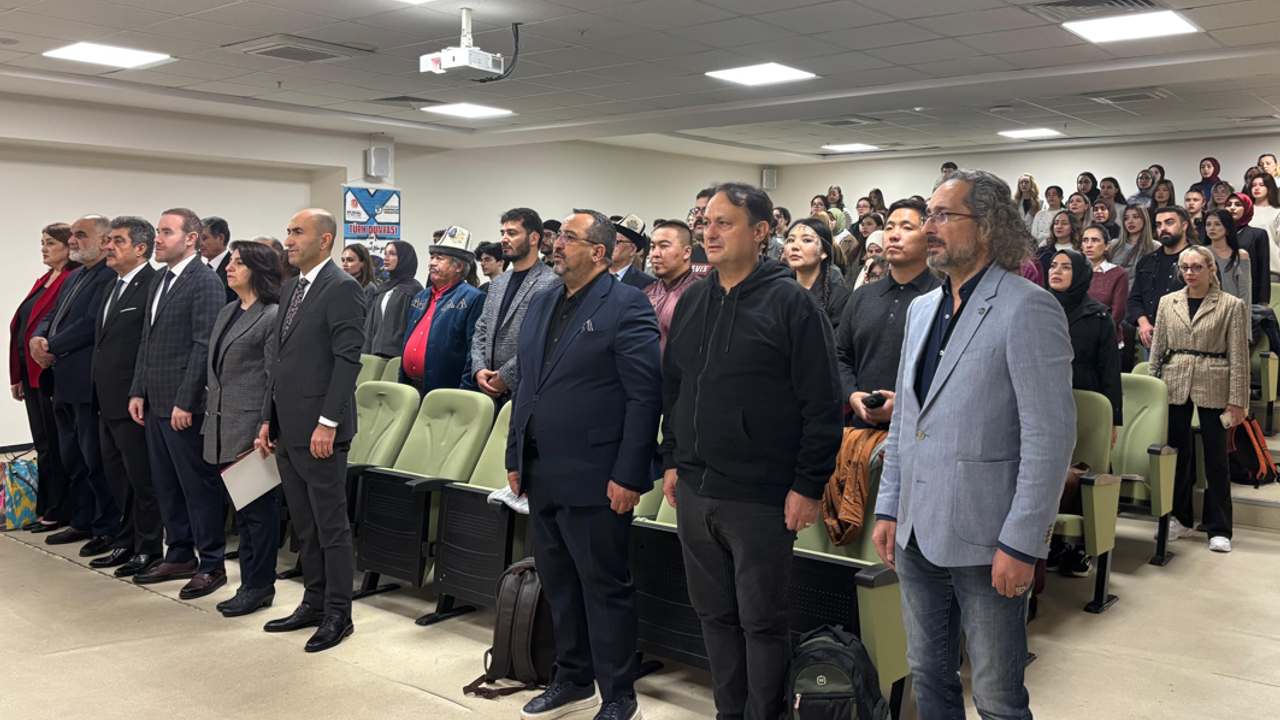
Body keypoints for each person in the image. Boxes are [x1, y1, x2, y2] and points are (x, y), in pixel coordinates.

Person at [872, 169, 1074, 720]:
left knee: (997, 697)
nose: (927, 227)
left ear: (986, 226)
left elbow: (1050, 437)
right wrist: (889, 507)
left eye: (942, 215)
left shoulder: (1028, 306)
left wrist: (1023, 543)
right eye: (927, 216)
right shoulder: (922, 309)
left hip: (989, 538)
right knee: (928, 675)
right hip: (916, 528)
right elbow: (906, 420)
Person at [660, 183, 842, 720]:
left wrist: (808, 485)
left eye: (725, 223)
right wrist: (672, 459)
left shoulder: (793, 305)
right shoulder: (695, 298)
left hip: (760, 495)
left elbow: (822, 404)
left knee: (761, 621)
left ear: (761, 232)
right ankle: (728, 713)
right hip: (696, 487)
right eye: (706, 222)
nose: (710, 232)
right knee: (713, 614)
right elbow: (675, 388)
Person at [506, 208, 662, 720]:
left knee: (604, 588)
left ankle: (619, 695)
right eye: (558, 237)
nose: (556, 244)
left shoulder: (627, 304)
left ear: (598, 251)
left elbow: (644, 397)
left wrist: (630, 474)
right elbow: (527, 385)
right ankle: (573, 678)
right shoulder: (543, 300)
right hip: (541, 468)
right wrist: (514, 454)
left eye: (568, 238)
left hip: (597, 473)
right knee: (558, 583)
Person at [255, 208, 366, 652]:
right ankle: (314, 601)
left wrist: (328, 422)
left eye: (297, 232)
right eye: (288, 232)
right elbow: (278, 360)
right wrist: (268, 417)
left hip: (321, 429)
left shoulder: (342, 287)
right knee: (305, 525)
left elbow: (348, 360)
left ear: (324, 241)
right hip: (287, 425)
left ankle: (339, 613)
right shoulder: (292, 288)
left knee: (330, 526)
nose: (288, 240)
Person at [126, 208, 226, 598]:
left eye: (166, 232)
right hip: (155, 400)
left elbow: (204, 346)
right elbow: (146, 341)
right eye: (158, 231)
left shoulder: (205, 281)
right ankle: (180, 553)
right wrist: (138, 390)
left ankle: (212, 563)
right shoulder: (160, 280)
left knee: (197, 486)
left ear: (191, 238)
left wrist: (187, 400)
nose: (157, 239)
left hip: (184, 406)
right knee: (166, 484)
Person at [1150, 245, 1249, 554]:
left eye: (1196, 267)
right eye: (1185, 268)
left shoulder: (1231, 305)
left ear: (1211, 268)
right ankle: (1179, 518)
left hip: (1214, 379)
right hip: (1175, 379)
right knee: (1177, 453)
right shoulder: (1168, 302)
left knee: (1216, 458)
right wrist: (1152, 387)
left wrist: (1238, 400)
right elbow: (1157, 348)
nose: (1190, 273)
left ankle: (1219, 528)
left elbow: (1239, 356)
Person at [30, 215, 120, 553]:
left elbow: (90, 322)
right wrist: (39, 337)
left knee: (95, 460)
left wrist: (50, 346)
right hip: (63, 381)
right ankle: (81, 520)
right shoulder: (76, 276)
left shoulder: (108, 275)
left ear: (103, 240)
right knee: (73, 458)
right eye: (71, 236)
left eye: (80, 235)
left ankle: (106, 527)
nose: (72, 241)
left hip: (86, 382)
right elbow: (52, 315)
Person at [205, 241, 282, 618]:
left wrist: (266, 424)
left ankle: (259, 585)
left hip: (252, 427)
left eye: (238, 263)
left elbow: (272, 378)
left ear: (258, 270)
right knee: (242, 513)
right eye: (230, 262)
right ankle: (249, 583)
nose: (229, 268)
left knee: (257, 513)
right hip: (221, 423)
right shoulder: (228, 311)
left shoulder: (271, 315)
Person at [91, 216, 162, 574]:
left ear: (141, 248)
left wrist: (140, 390)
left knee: (142, 479)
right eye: (108, 240)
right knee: (118, 476)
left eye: (117, 241)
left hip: (133, 399)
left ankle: (149, 548)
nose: (108, 246)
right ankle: (126, 541)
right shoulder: (111, 286)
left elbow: (149, 346)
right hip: (105, 398)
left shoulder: (153, 284)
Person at [1045, 249, 1122, 578]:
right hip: (1044, 395)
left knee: (1082, 469)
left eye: (1065, 267)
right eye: (1053, 265)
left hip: (1085, 397)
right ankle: (1050, 540)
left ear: (1079, 274)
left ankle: (1080, 545)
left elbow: (1110, 370)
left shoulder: (1098, 314)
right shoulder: (1036, 307)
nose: (1056, 271)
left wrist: (1113, 419)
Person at [837, 197, 941, 430]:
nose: (894, 235)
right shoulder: (862, 296)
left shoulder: (943, 299)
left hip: (921, 432)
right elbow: (840, 356)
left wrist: (904, 405)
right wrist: (852, 395)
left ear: (929, 239)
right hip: (862, 432)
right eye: (890, 227)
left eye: (907, 228)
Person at [10, 223, 76, 534]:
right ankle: (46, 506)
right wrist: (17, 375)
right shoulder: (44, 280)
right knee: (43, 443)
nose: (44, 248)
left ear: (68, 246)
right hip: (30, 372)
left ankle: (60, 509)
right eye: (42, 242)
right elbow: (20, 328)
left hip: (49, 372)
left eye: (50, 243)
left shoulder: (70, 280)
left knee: (57, 443)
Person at [470, 209, 560, 405]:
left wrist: (506, 377)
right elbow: (482, 329)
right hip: (487, 387)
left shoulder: (551, 282)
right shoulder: (498, 282)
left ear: (533, 238)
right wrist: (479, 369)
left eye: (512, 233)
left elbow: (543, 339)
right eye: (502, 233)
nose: (504, 239)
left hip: (525, 388)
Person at [397, 227, 485, 396]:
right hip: (410, 388)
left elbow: (474, 351)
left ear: (459, 266)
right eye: (432, 257)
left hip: (446, 391)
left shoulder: (473, 298)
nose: (432, 263)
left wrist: (465, 392)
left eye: (439, 258)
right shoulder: (421, 297)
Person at [1128, 207, 1191, 349]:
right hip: (1152, 337)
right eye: (1158, 224)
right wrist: (1143, 323)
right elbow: (1134, 299)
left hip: (1187, 338)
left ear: (1184, 226)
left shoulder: (1198, 260)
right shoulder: (1147, 262)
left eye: (1169, 223)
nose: (1163, 228)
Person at [784, 217, 851, 333]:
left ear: (824, 252)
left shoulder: (839, 298)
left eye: (807, 240)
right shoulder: (777, 292)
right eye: (790, 240)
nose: (795, 246)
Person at [643, 220, 698, 354]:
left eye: (664, 246)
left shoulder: (700, 294)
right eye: (652, 247)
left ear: (687, 252)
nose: (655, 254)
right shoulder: (646, 292)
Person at [362, 240, 421, 358]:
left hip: (398, 357)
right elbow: (370, 327)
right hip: (375, 355)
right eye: (385, 253)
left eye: (392, 254)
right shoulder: (382, 289)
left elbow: (415, 330)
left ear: (404, 259)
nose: (385, 258)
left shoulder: (414, 291)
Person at [1082, 223, 1128, 345]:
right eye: (1085, 240)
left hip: (1106, 340)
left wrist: (1095, 334)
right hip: (1076, 338)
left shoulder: (1119, 274)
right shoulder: (1074, 271)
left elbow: (1117, 313)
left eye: (1095, 240)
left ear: (1107, 245)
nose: (1089, 245)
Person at [1223, 193, 1271, 306]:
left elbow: (1263, 269)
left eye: (1238, 204)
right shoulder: (1217, 233)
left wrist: (1263, 300)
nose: (1232, 208)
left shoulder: (1258, 235)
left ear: (1247, 208)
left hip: (1250, 294)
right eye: (1228, 204)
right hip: (1222, 293)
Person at [1204, 209, 1252, 313]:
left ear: (1227, 227)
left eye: (1217, 224)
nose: (1212, 228)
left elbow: (1245, 292)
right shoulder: (1201, 254)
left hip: (1232, 311)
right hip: (1207, 311)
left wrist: (1244, 320)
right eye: (1208, 224)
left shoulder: (1240, 255)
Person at [1111, 205, 1155, 290]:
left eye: (1136, 217)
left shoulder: (1154, 247)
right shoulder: (1114, 245)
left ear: (1145, 219)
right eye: (1126, 218)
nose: (1130, 221)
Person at [1247, 174, 1280, 280]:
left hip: (1271, 266)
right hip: (1246, 266)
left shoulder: (1277, 212)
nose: (1256, 188)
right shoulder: (1244, 211)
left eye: (1261, 185)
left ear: (1269, 188)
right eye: (1254, 185)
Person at [612, 214, 657, 289]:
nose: (609, 245)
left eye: (616, 242)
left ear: (632, 249)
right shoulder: (595, 274)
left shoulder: (647, 284)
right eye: (609, 240)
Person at [1037, 209, 1082, 284]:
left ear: (1073, 227)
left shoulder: (1080, 252)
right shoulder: (1042, 253)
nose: (1059, 226)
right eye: (1056, 223)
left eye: (1064, 223)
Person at [200, 216, 237, 304]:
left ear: (221, 238)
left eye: (204, 238)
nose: (199, 243)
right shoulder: (201, 270)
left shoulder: (236, 267)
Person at [689, 187, 712, 263]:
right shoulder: (686, 256)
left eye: (705, 210)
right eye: (696, 210)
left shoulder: (731, 257)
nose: (698, 215)